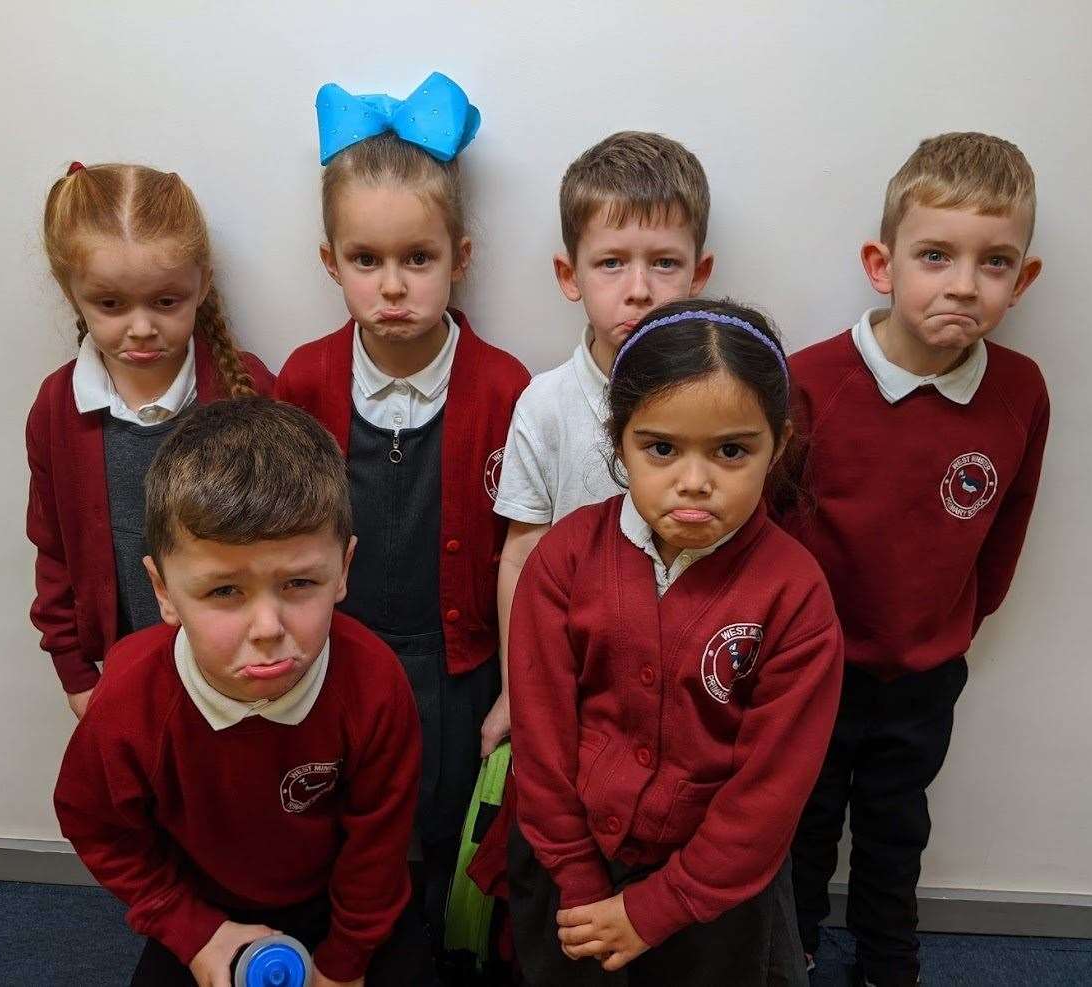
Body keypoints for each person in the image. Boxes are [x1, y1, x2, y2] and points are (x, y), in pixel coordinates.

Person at [508, 300, 843, 985]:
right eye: (661, 447)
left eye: (731, 450)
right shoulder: (565, 559)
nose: (695, 481)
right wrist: (579, 880)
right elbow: (541, 743)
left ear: (776, 445)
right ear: (620, 438)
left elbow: (767, 795)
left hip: (717, 893)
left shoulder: (796, 595)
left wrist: (656, 908)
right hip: (573, 872)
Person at [782, 132, 1048, 987]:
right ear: (881, 262)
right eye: (936, 255)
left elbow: (1005, 529)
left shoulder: (1020, 391)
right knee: (804, 820)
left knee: (898, 827)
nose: (963, 284)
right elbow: (772, 530)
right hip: (814, 667)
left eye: (994, 262)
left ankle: (888, 959)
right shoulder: (807, 380)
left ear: (1023, 279)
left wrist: (956, 626)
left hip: (926, 672)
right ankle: (794, 949)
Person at [274, 72, 530, 955]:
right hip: (341, 653)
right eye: (366, 261)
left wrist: (514, 685)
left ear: (461, 257)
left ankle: (448, 953)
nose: (392, 287)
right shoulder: (303, 380)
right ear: (330, 262)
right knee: (349, 821)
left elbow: (524, 550)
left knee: (450, 827)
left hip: (457, 665)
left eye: (417, 259)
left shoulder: (505, 387)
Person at [55, 397, 428, 987]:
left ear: (344, 569)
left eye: (300, 583)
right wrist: (188, 928)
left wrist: (344, 963)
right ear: (164, 591)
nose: (267, 629)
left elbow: (376, 852)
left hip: (342, 905)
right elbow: (94, 824)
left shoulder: (375, 684)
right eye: (225, 591)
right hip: (203, 907)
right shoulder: (129, 701)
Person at [491, 130, 715, 756]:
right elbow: (520, 554)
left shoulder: (724, 404)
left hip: (689, 690)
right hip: (574, 686)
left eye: (664, 263)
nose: (638, 289)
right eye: (612, 263)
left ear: (699, 273)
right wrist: (518, 689)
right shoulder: (545, 405)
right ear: (570, 275)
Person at [27, 161, 273, 718]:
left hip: (243, 669)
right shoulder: (57, 409)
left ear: (201, 284)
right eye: (111, 304)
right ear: (72, 292)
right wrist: (75, 673)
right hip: (126, 674)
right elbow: (53, 550)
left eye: (165, 301)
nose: (140, 327)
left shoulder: (247, 388)